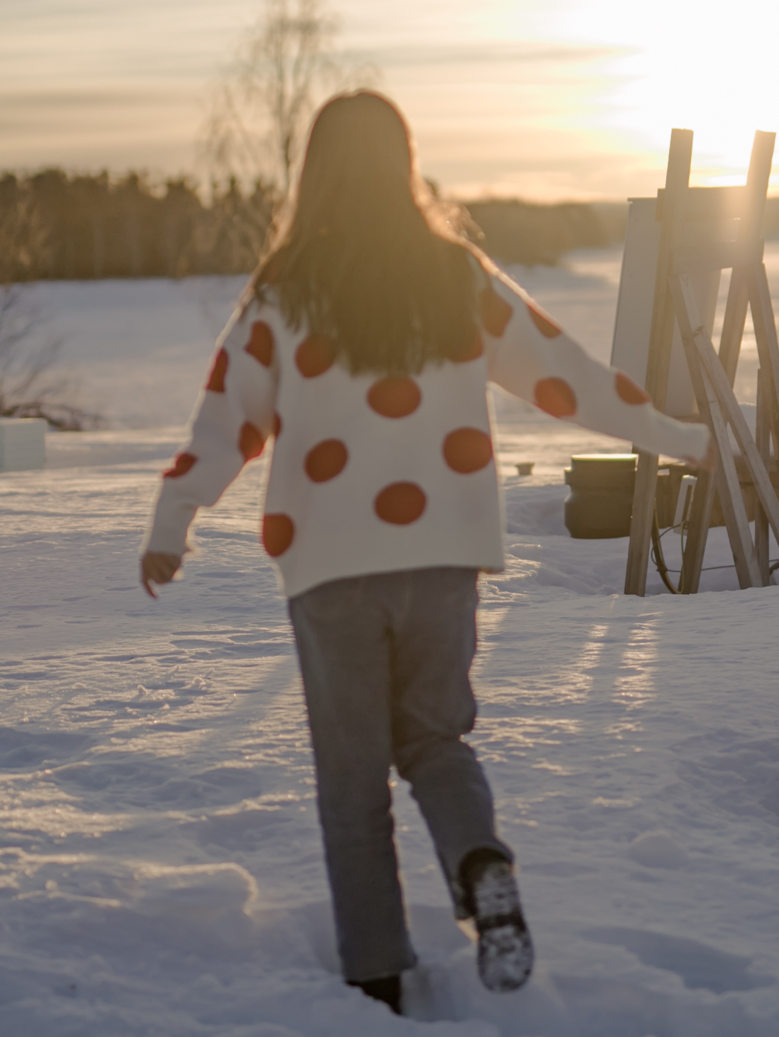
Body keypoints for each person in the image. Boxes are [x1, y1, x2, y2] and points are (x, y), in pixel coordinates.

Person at [137, 91, 710, 1016]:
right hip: (444, 552)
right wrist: (675, 432)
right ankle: (480, 863)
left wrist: (173, 523)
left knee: (352, 779)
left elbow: (227, 419)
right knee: (435, 740)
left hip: (328, 564)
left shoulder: (284, 291)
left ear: (313, 171)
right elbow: (562, 378)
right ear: (405, 164)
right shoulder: (456, 275)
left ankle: (375, 981)